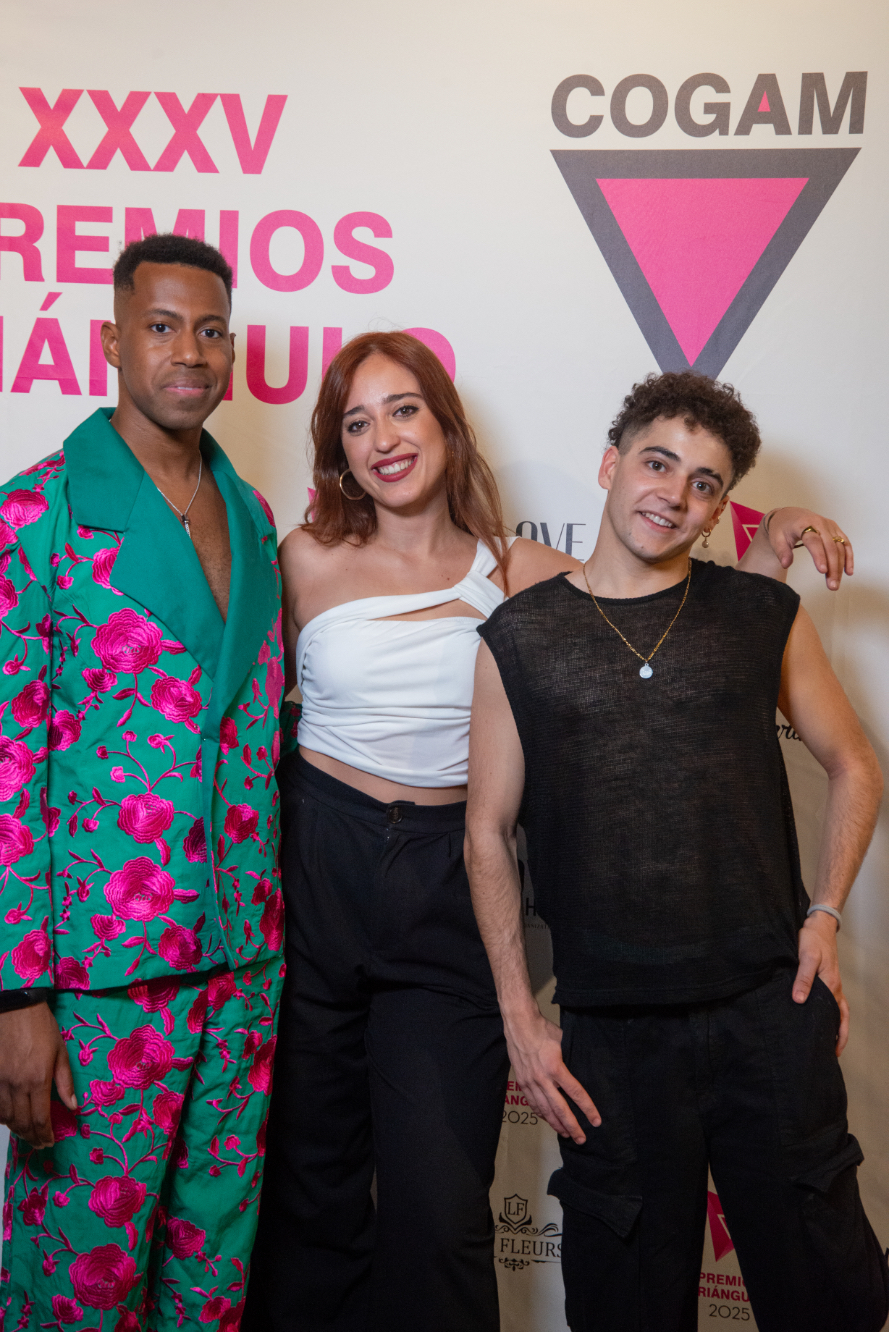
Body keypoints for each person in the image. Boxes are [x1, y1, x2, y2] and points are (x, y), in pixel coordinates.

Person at [242, 335, 851, 1332]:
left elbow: (662, 617)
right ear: (337, 449)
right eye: (357, 421)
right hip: (316, 864)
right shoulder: (301, 559)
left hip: (448, 873)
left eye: (404, 410)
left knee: (441, 1204)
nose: (384, 437)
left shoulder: (515, 566)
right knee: (309, 1188)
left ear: (446, 425)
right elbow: (237, 721)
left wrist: (766, 539)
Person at [465, 370, 888, 1332]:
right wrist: (518, 1017)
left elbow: (854, 763)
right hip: (610, 1037)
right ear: (610, 466)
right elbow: (485, 830)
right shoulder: (519, 635)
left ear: (718, 508)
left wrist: (824, 913)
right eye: (657, 464)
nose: (673, 494)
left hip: (767, 1014)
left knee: (827, 1299)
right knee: (625, 1309)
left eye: (703, 483)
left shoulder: (759, 613)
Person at [0, 234, 286, 1330]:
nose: (190, 353)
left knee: (211, 1276)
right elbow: (7, 762)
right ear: (113, 341)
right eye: (162, 327)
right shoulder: (37, 514)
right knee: (81, 1281)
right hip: (98, 978)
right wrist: (16, 995)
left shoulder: (253, 515)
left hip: (243, 959)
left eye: (211, 330)